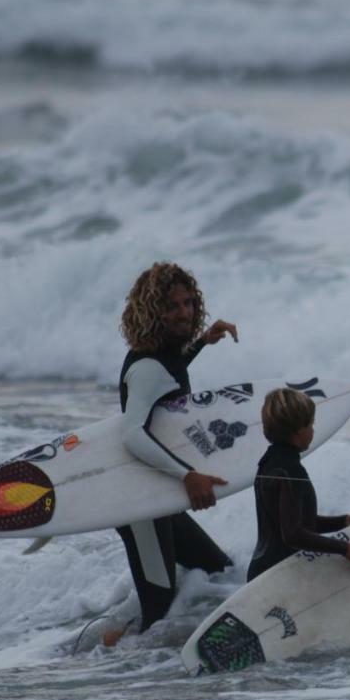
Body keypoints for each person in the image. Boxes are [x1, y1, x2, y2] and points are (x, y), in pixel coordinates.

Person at [106, 262, 238, 645]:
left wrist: (201, 343)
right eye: (173, 306)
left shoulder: (163, 354)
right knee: (158, 609)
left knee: (217, 570)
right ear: (153, 312)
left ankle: (129, 642)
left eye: (189, 303)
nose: (185, 313)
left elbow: (171, 374)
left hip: (158, 494)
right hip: (141, 505)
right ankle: (117, 661)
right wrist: (188, 476)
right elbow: (132, 435)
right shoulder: (148, 366)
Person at [247, 387, 350, 581]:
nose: (313, 430)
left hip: (262, 570)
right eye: (311, 425)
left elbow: (296, 522)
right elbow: (293, 534)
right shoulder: (291, 470)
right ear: (298, 431)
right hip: (277, 577)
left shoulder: (268, 463)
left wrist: (342, 521)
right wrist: (345, 549)